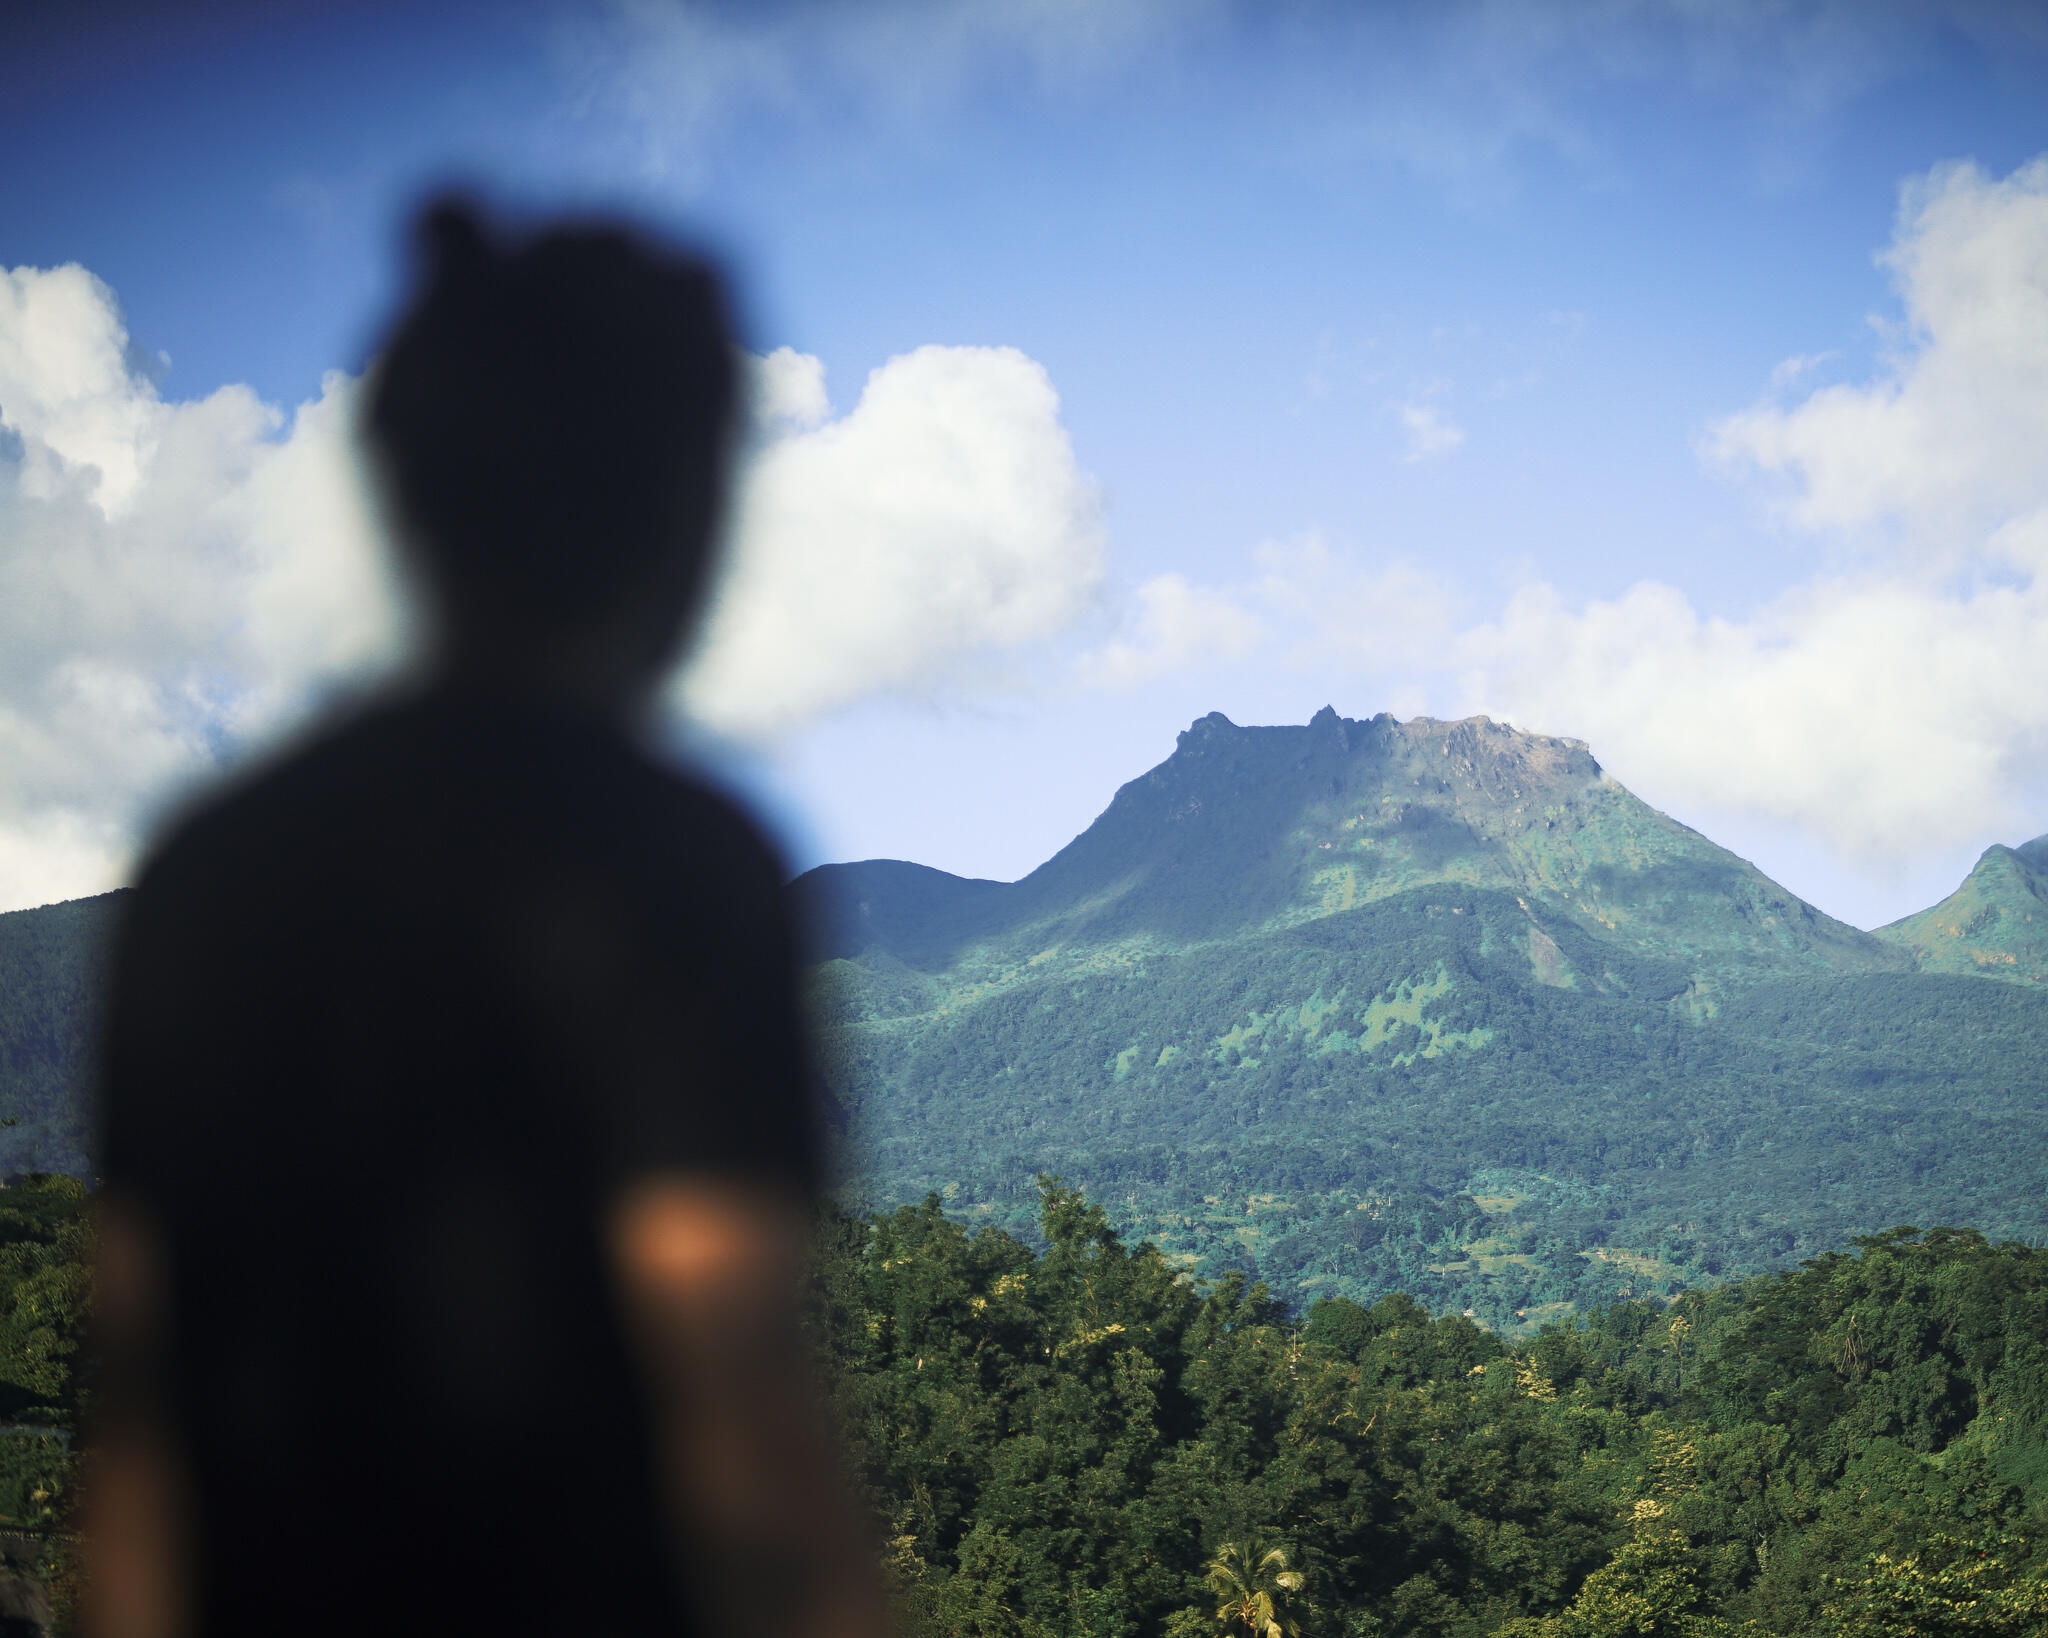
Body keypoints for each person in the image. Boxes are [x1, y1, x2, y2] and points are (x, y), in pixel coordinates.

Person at [87, 197, 887, 1638]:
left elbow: (138, 1434)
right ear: (683, 507)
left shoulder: (210, 870)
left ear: (408, 489)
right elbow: (741, 1423)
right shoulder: (669, 863)